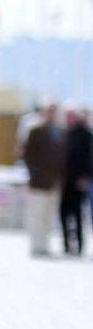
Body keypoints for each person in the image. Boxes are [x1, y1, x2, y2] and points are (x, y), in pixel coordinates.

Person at [22, 103, 66, 258]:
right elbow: (27, 155)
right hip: (38, 182)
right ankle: (36, 244)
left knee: (49, 216)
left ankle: (45, 244)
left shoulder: (61, 132)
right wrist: (34, 173)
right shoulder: (36, 131)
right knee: (37, 215)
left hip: (55, 183)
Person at [64, 107, 91, 257]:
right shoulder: (64, 133)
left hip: (79, 180)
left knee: (78, 212)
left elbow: (88, 158)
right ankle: (67, 245)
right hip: (63, 181)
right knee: (64, 213)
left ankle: (79, 245)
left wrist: (85, 176)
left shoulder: (86, 134)